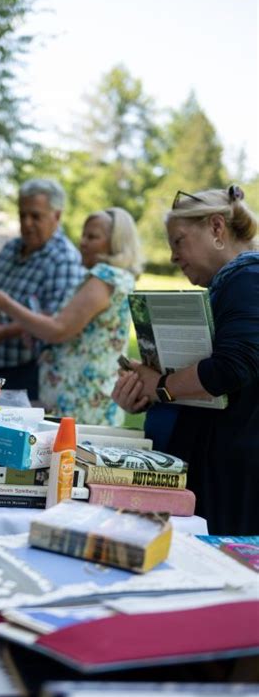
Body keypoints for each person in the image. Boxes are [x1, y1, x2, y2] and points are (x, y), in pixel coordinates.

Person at [112, 185, 259, 535]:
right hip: (215, 464)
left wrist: (161, 387)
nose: (174, 256)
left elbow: (232, 366)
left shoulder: (248, 279)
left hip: (232, 475)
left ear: (217, 228)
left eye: (178, 241)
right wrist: (145, 389)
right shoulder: (229, 283)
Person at [0, 207, 144, 423]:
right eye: (83, 235)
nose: (82, 242)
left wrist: (6, 304)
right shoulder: (115, 278)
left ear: (115, 243)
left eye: (92, 237)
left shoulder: (105, 277)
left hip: (81, 404)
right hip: (84, 399)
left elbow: (58, 330)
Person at [0, 178, 84, 398]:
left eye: (35, 216)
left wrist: (2, 333)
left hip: (26, 372)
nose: (27, 223)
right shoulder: (12, 247)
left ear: (56, 216)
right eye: (22, 215)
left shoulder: (64, 259)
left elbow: (56, 319)